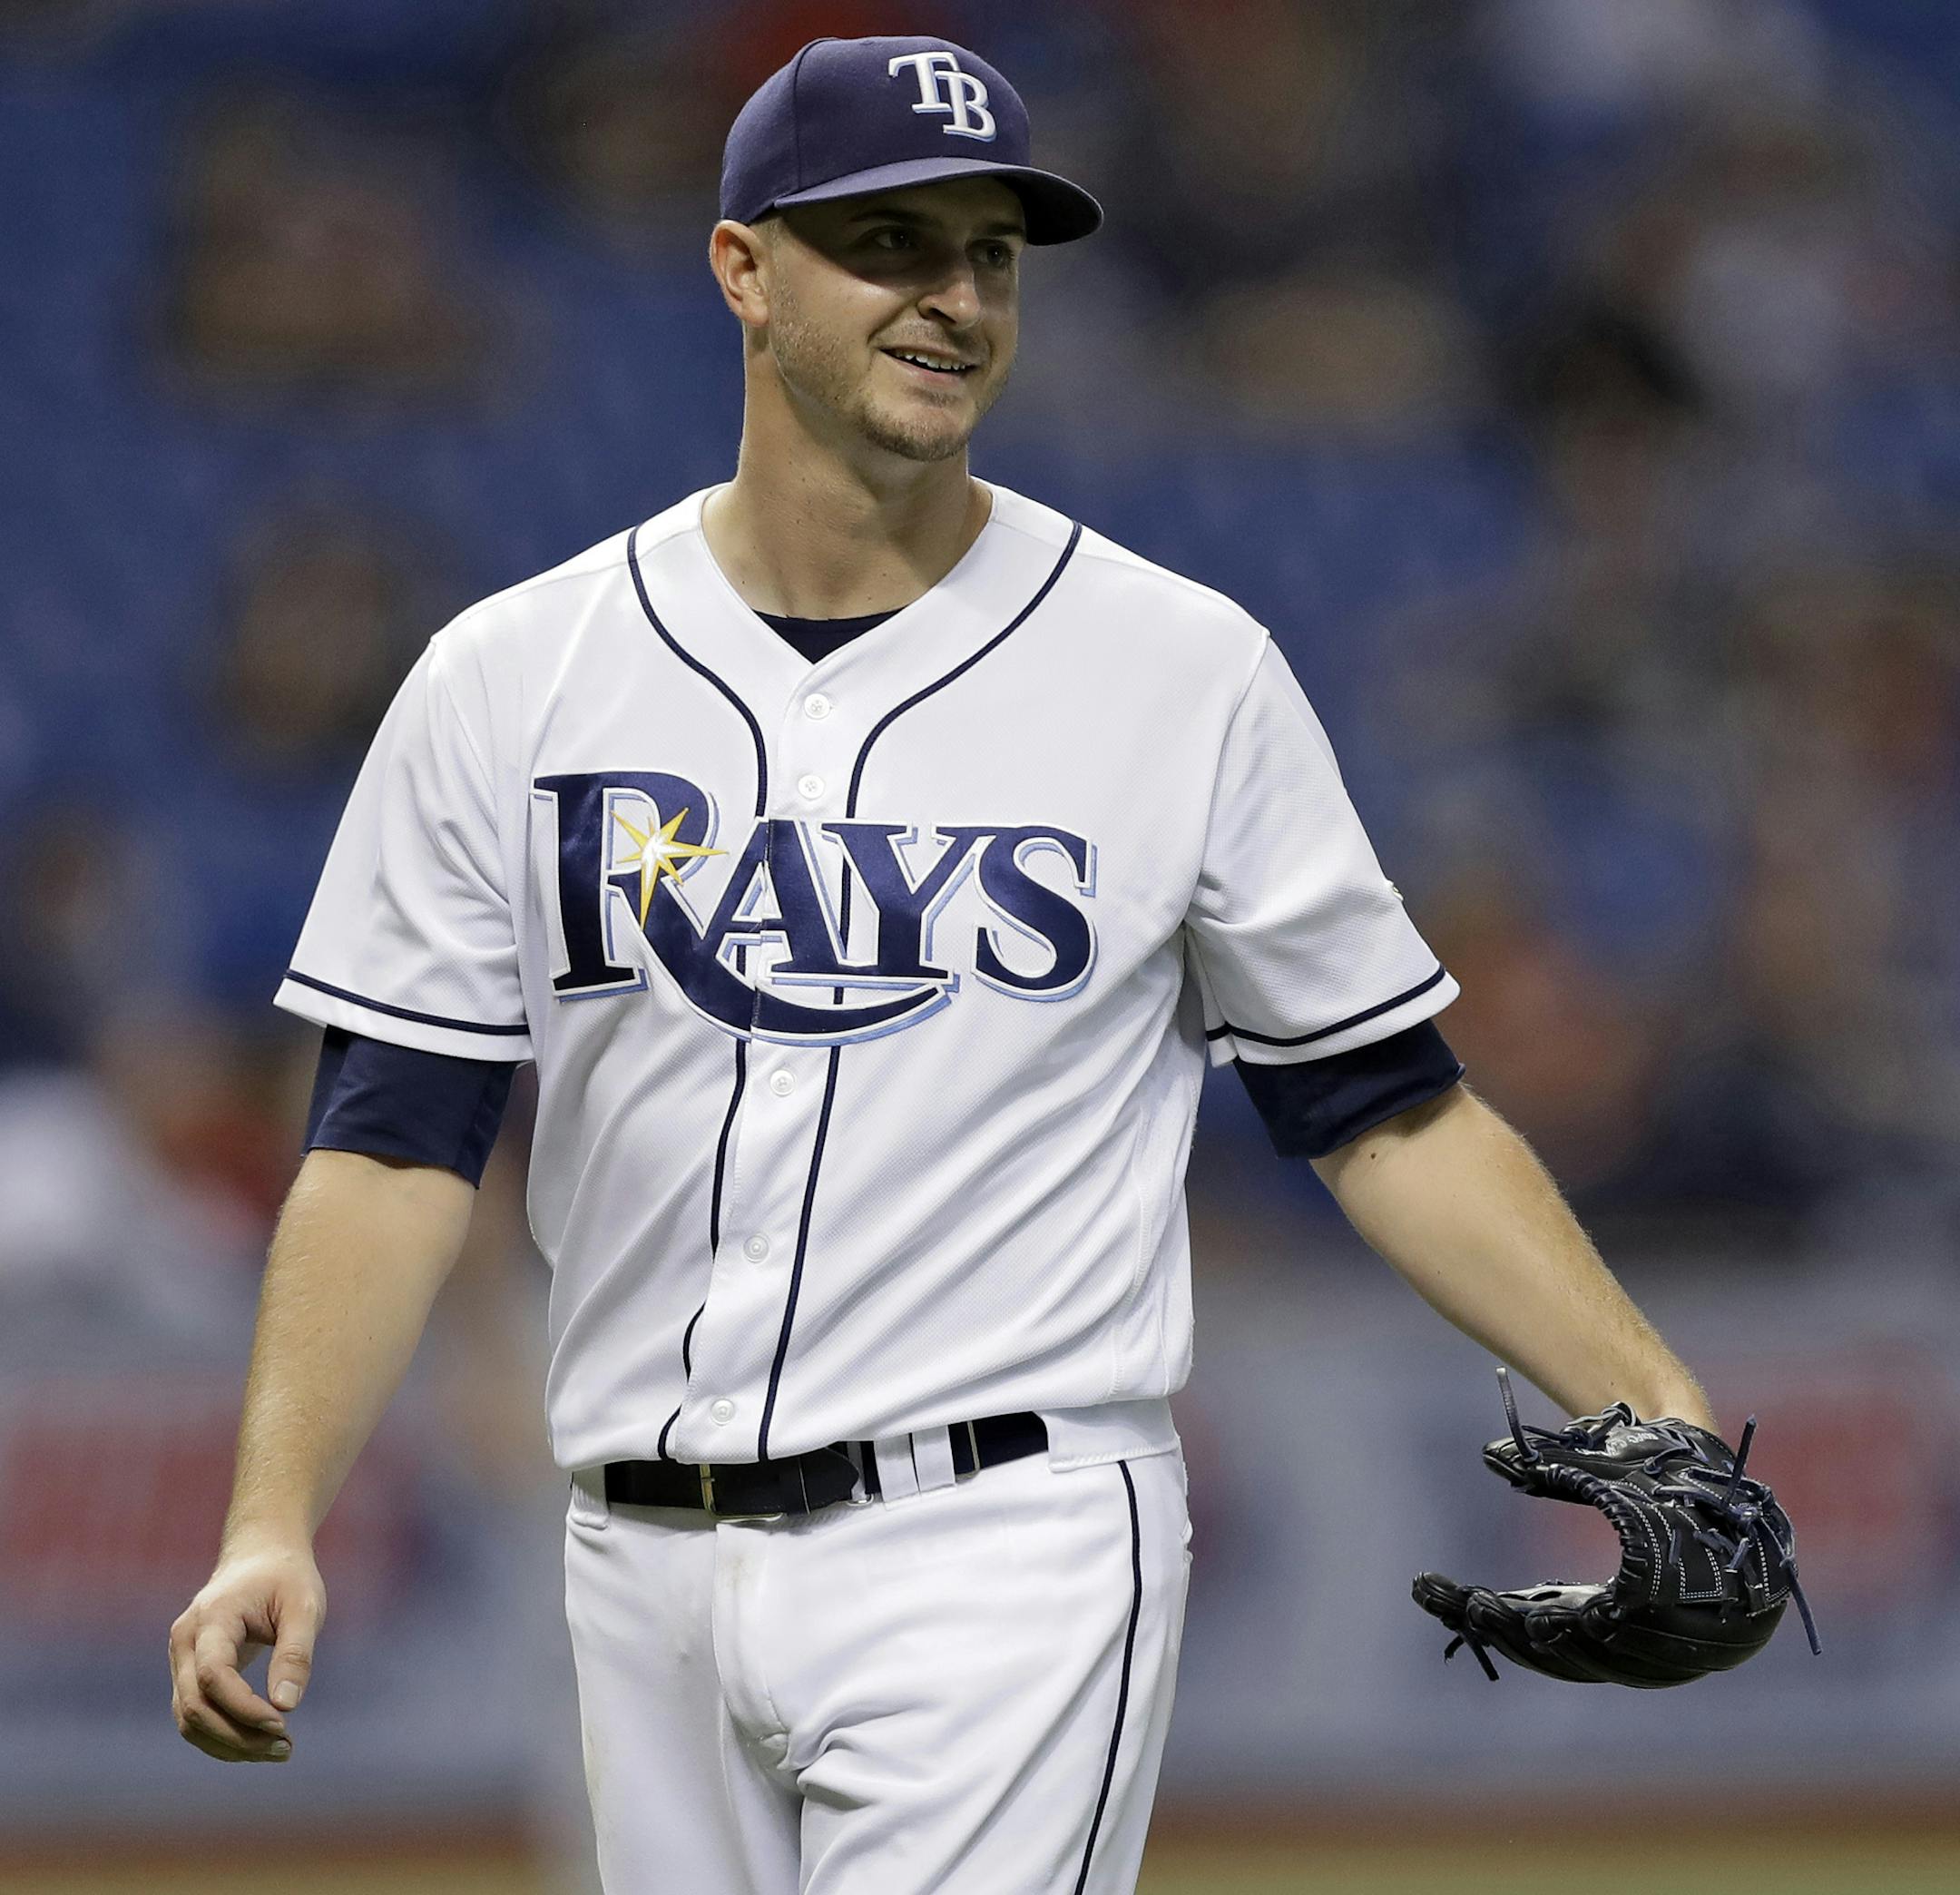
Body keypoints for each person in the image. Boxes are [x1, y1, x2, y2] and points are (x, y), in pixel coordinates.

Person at [168, 35, 1721, 1894]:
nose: (954, 295)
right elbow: (392, 1141)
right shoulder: (514, 678)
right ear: (743, 267)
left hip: (1011, 1533)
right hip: (634, 1561)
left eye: (991, 251)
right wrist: (274, 1515)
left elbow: (1385, 1108)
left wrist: (1657, 1406)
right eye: (890, 240)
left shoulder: (1178, 669)